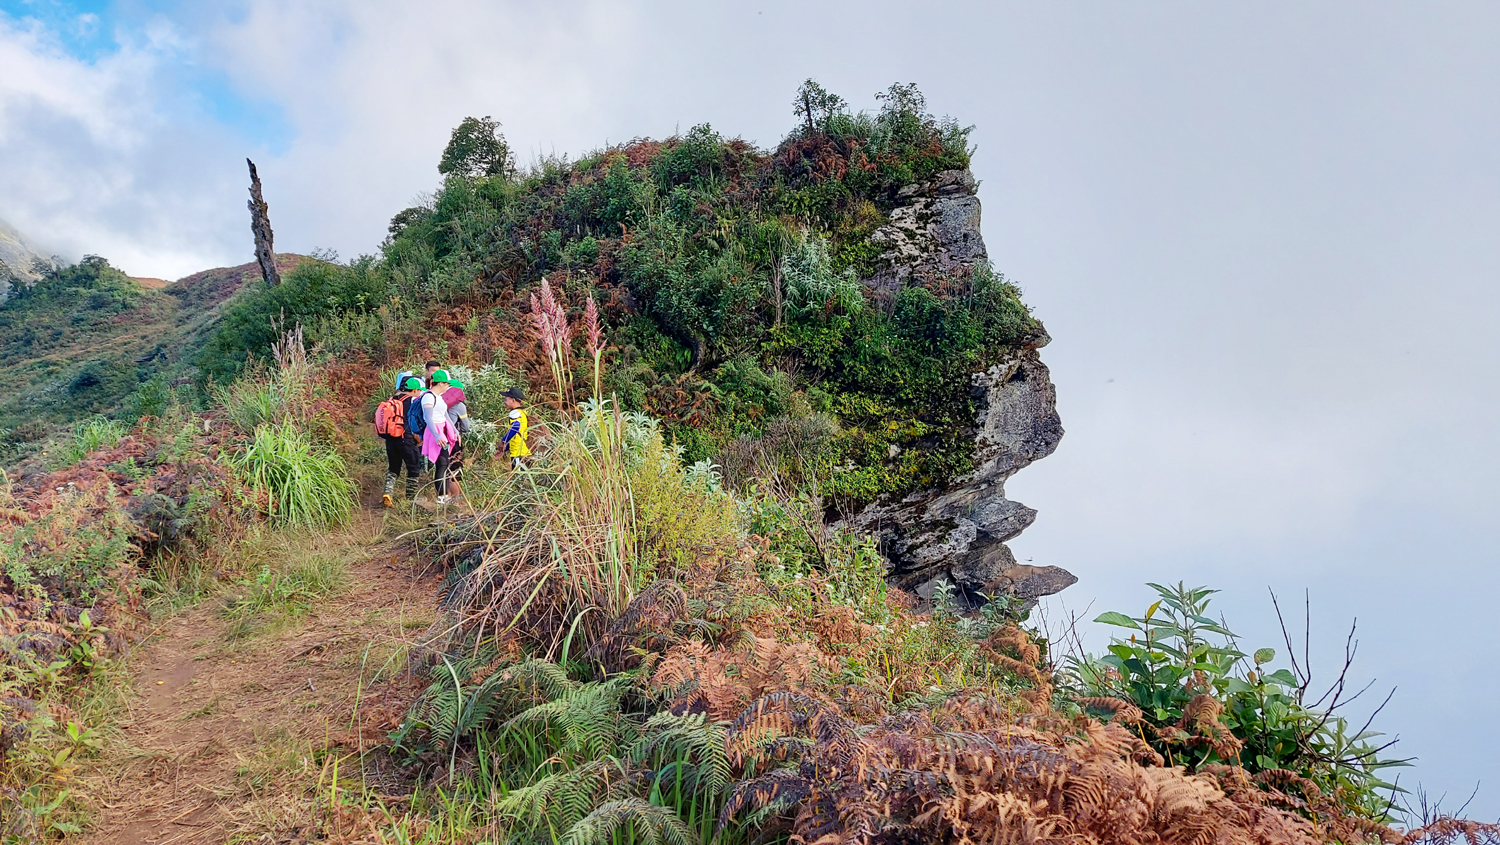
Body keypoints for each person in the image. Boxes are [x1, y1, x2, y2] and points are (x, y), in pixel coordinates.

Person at [375, 374, 423, 507]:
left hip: (390, 438)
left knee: (393, 468)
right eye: (419, 390)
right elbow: (413, 422)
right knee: (414, 467)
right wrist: (418, 438)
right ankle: (411, 499)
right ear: (414, 390)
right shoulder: (413, 401)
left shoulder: (392, 399)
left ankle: (387, 493)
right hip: (405, 438)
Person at [420, 369, 459, 505]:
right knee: (442, 464)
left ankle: (443, 496)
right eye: (447, 384)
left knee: (444, 462)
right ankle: (441, 497)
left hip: (442, 430)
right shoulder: (428, 397)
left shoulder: (439, 398)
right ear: (441, 383)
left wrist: (454, 430)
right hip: (434, 431)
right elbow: (429, 418)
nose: (448, 387)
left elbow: (444, 415)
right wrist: (437, 436)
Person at [441, 379, 471, 501]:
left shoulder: (438, 400)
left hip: (438, 439)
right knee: (455, 468)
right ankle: (455, 498)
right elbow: (466, 427)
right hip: (453, 440)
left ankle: (444, 495)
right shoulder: (460, 406)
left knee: (442, 467)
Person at [500, 386, 530, 470]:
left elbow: (516, 427)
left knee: (519, 481)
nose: (504, 402)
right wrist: (505, 449)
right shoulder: (523, 413)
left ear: (513, 400)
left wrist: (503, 441)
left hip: (518, 454)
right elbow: (518, 436)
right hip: (525, 453)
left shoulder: (514, 413)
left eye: (506, 399)